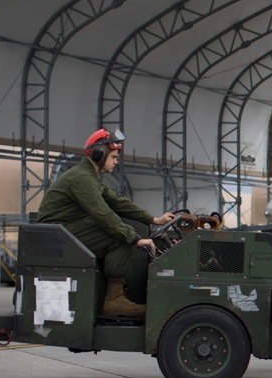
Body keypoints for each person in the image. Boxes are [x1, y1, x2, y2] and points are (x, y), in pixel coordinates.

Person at [37, 128, 176, 318]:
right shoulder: (81, 178)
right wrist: (134, 238)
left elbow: (117, 201)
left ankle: (115, 296)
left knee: (122, 231)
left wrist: (153, 219)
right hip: (55, 236)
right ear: (98, 154)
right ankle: (114, 301)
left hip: (62, 231)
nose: (116, 161)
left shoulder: (89, 177)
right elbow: (102, 213)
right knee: (119, 237)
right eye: (114, 157)